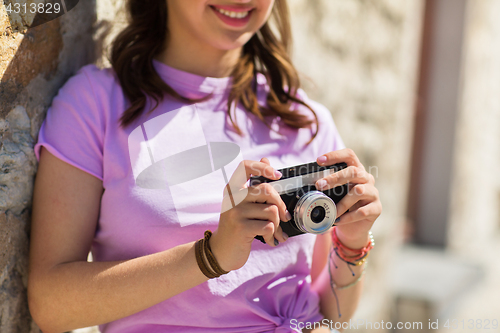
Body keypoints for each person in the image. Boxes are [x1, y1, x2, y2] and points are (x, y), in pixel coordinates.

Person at [28, 0, 382, 332]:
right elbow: (50, 306)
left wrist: (352, 244)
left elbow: (334, 311)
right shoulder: (95, 104)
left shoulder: (307, 119)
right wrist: (210, 257)